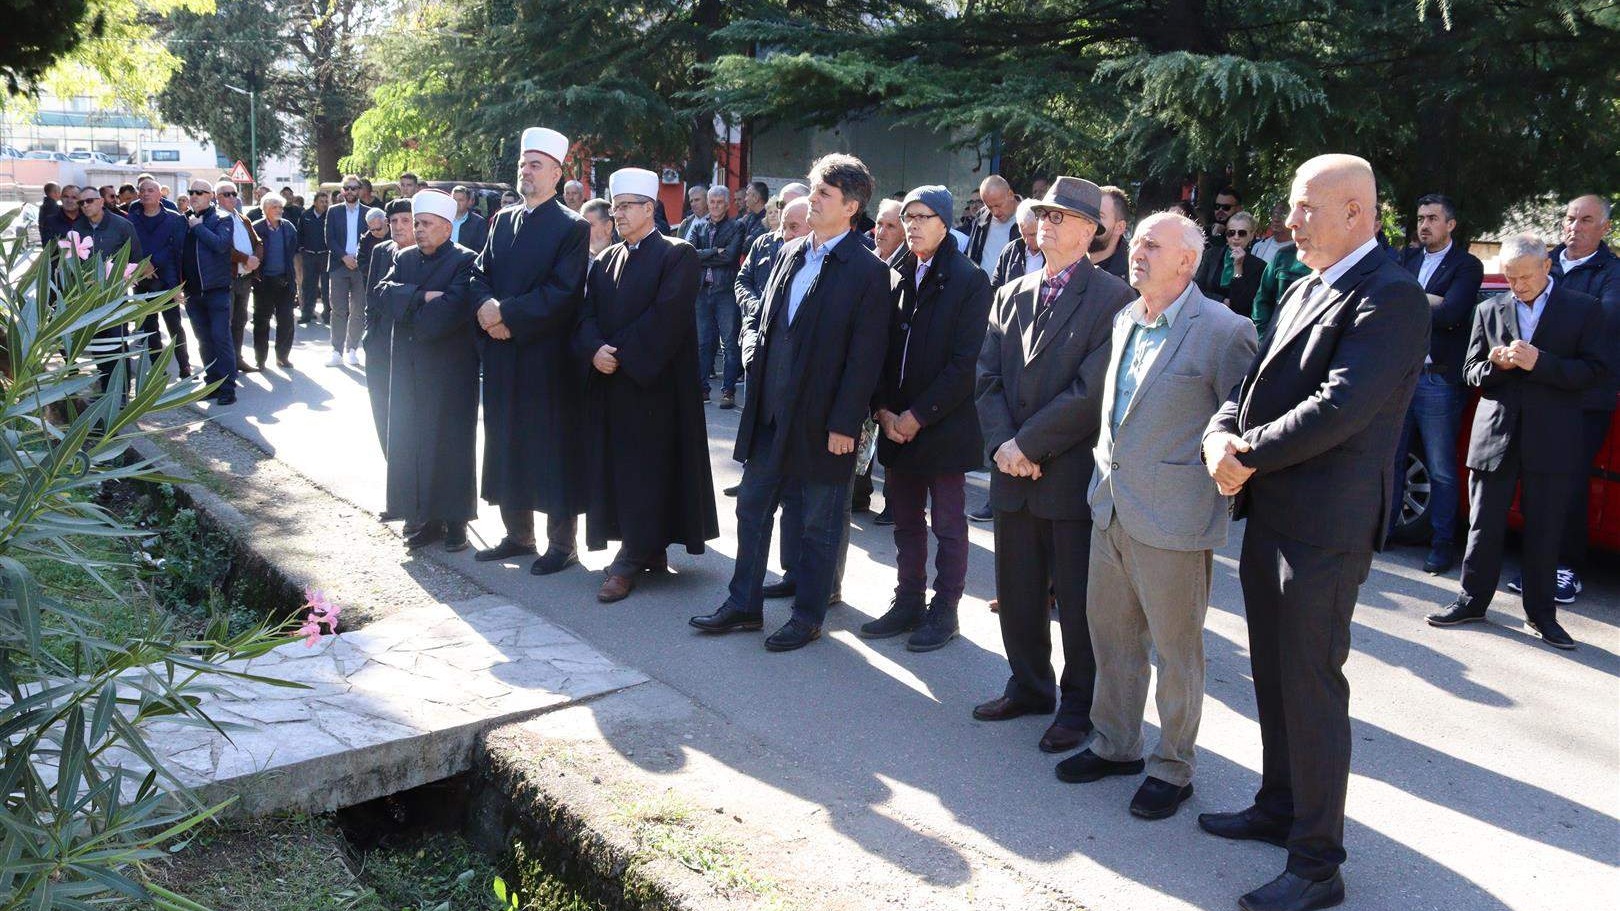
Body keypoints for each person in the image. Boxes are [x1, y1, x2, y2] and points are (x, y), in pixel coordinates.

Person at [1199, 154, 1429, 911]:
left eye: (1304, 208)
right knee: (1272, 669)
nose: (1287, 222)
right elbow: (1251, 383)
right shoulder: (1303, 285)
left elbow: (1341, 406)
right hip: (1274, 512)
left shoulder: (1391, 295)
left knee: (1312, 685)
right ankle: (1279, 803)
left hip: (1325, 527)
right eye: (1291, 208)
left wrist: (1244, 459)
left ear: (1358, 212)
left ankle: (1317, 862)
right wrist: (1221, 434)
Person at [1056, 211, 1258, 821]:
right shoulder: (1126, 318)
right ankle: (1115, 744)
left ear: (1187, 262)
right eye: (1136, 242)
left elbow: (1241, 421)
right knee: (1112, 640)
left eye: (1151, 245)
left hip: (1174, 519)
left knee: (1176, 651)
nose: (1136, 252)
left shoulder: (1224, 330)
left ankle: (1173, 766)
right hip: (1110, 508)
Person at [689, 153, 890, 652]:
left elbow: (866, 359)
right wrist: (753, 344)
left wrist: (846, 423)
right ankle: (744, 605)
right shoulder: (790, 252)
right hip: (773, 411)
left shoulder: (867, 271)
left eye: (823, 194)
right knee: (753, 508)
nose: (811, 200)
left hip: (826, 424)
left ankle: (808, 615)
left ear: (851, 206)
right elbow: (768, 318)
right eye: (813, 189)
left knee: (819, 525)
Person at [971, 176, 1134, 753]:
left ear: (1091, 231)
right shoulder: (1011, 291)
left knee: (1077, 598)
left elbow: (1091, 392)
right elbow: (986, 377)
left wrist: (1027, 447)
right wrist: (1001, 447)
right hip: (1012, 474)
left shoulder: (1115, 299)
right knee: (1016, 591)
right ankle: (1028, 685)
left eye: (1061, 217)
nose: (1047, 223)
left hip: (1065, 477)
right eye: (1044, 214)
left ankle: (1078, 704)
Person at [1425, 234, 1603, 652]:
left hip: (1553, 436)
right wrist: (1495, 365)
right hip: (1496, 432)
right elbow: (1469, 372)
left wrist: (1541, 363)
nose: (1518, 285)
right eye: (1510, 277)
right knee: (1483, 523)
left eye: (1525, 276)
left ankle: (1541, 615)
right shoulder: (1489, 308)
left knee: (1544, 528)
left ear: (1546, 267)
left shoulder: (1583, 309)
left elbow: (1595, 374)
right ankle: (1471, 601)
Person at [575, 167, 719, 603]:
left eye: (625, 207)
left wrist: (616, 355)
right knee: (620, 470)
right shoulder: (605, 260)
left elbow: (666, 318)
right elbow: (586, 316)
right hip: (614, 382)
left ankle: (632, 557)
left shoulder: (679, 254)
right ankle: (645, 546)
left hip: (655, 387)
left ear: (650, 209)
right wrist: (593, 348)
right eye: (614, 207)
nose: (616, 214)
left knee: (647, 470)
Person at [860, 185, 991, 651]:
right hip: (894, 419)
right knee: (905, 520)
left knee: (949, 525)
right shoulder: (895, 271)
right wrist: (882, 408)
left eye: (923, 216)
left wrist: (917, 415)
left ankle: (946, 609)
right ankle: (909, 599)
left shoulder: (969, 279)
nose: (912, 225)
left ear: (945, 222)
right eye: (907, 216)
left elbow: (964, 365)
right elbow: (876, 347)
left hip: (943, 423)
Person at [471, 127, 592, 575]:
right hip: (504, 355)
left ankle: (562, 544)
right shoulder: (503, 220)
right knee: (506, 442)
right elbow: (478, 273)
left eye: (535, 165)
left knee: (551, 447)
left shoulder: (572, 226)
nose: (526, 171)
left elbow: (563, 292)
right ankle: (518, 535)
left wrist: (505, 315)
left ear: (557, 174)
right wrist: (485, 307)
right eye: (523, 164)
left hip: (546, 356)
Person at [374, 189, 480, 553]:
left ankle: (455, 523)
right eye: (416, 223)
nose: (417, 230)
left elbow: (454, 307)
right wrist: (421, 296)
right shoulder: (402, 258)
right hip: (409, 368)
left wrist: (411, 308)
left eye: (425, 224)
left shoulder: (466, 260)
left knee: (450, 446)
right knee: (413, 443)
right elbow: (383, 294)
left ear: (447, 227)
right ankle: (422, 518)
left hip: (450, 369)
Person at [1391, 193, 1483, 573]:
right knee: (1392, 458)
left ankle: (1443, 545)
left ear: (1451, 225)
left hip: (1438, 380)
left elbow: (1451, 314)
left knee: (1442, 468)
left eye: (1432, 218)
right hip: (1401, 376)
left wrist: (1412, 299)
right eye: (1420, 217)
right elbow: (1389, 305)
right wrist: (1425, 298)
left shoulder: (1467, 265)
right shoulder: (1407, 259)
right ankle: (1386, 532)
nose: (1423, 225)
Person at [1544, 194, 1620, 601]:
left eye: (1586, 220)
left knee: (1571, 484)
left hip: (1587, 397)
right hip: (1543, 391)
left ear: (1605, 227)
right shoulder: (1546, 262)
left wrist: (1549, 313)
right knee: (1542, 481)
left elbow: (1605, 322)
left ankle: (1567, 568)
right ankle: (1542, 565)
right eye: (1570, 218)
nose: (1574, 227)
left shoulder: (1612, 273)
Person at [70, 185, 144, 395]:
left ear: (101, 201)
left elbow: (136, 259)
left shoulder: (122, 225)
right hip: (89, 301)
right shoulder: (78, 228)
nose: (85, 205)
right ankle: (105, 392)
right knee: (98, 349)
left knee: (117, 348)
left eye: (89, 200)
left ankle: (120, 397)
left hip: (115, 300)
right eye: (81, 202)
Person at [363, 199, 416, 461]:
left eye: (405, 220)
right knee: (382, 412)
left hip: (413, 349)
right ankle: (392, 466)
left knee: (408, 418)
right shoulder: (381, 251)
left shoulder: (425, 253)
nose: (398, 226)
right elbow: (371, 298)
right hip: (380, 346)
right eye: (393, 221)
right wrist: (368, 337)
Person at [179, 180, 238, 404]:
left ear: (211, 195)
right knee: (203, 340)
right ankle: (212, 383)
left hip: (217, 291)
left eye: (199, 192)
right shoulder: (183, 221)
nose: (194, 196)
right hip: (194, 293)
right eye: (191, 192)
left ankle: (228, 388)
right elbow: (178, 253)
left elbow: (221, 245)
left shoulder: (222, 218)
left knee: (221, 339)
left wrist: (198, 227)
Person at [127, 174, 191, 378]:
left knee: (174, 326)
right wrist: (143, 265)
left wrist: (153, 263)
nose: (145, 193)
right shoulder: (132, 219)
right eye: (142, 190)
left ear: (160, 195)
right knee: (149, 327)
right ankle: (157, 369)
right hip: (142, 281)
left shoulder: (174, 218)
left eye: (150, 190)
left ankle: (184, 366)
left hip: (167, 279)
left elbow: (177, 248)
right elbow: (130, 246)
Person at [691, 185, 746, 408]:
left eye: (719, 202)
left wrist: (706, 256)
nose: (714, 206)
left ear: (727, 204)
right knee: (703, 343)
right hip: (703, 291)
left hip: (726, 291)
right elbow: (690, 254)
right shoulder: (699, 226)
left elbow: (731, 257)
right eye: (712, 202)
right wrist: (715, 252)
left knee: (730, 344)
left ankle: (728, 391)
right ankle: (702, 389)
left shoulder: (736, 227)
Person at [324, 175, 379, 367]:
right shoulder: (333, 211)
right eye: (346, 188)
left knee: (358, 309)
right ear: (342, 190)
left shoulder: (369, 212)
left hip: (361, 267)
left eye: (354, 188)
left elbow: (373, 238)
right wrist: (344, 257)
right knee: (338, 309)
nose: (350, 192)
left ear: (360, 190)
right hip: (339, 265)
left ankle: (352, 349)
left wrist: (357, 258)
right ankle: (336, 350)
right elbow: (329, 239)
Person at [217, 180, 263, 375]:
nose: (232, 198)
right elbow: (223, 248)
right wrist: (245, 258)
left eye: (234, 193)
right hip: (228, 278)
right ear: (217, 197)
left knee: (240, 320)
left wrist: (255, 260)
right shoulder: (217, 218)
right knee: (225, 322)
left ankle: (237, 358)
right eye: (227, 194)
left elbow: (258, 241)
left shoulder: (243, 218)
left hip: (245, 278)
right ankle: (225, 364)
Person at [249, 194, 298, 371]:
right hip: (264, 283)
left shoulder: (288, 227)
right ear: (265, 209)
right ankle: (260, 359)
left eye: (280, 207)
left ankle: (282, 357)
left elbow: (293, 251)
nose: (279, 210)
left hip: (285, 281)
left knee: (286, 321)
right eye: (274, 207)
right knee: (261, 322)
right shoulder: (256, 228)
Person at [1196, 209, 1264, 318]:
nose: (1236, 237)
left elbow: (1241, 303)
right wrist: (1221, 300)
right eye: (1231, 233)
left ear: (1251, 236)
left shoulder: (1258, 266)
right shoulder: (1212, 255)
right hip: (1206, 315)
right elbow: (1197, 288)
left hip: (1235, 321)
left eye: (1242, 233)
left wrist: (1238, 267)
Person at [1251, 234, 1312, 336]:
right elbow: (1262, 300)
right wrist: (1263, 336)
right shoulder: (1284, 255)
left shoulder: (1341, 262)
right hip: (1276, 335)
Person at [965, 175, 1019, 275]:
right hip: (981, 287)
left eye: (998, 205)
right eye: (989, 207)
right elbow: (970, 255)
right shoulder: (982, 217)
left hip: (1012, 288)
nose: (995, 212)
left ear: (1010, 194)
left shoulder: (1028, 218)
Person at [991, 198, 1044, 289]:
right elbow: (995, 288)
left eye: (1032, 235)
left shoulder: (1055, 252)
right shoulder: (1010, 251)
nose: (1027, 241)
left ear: (1043, 226)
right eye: (1024, 234)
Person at [298, 191, 331, 325]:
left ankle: (327, 313)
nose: (324, 204)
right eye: (321, 201)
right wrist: (301, 249)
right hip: (309, 256)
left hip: (325, 256)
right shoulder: (306, 215)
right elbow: (300, 233)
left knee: (326, 287)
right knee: (308, 286)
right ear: (315, 202)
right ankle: (307, 313)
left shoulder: (329, 216)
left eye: (326, 201)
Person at [1089, 185, 1131, 279]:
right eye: (1087, 214)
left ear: (1119, 227)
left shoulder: (1133, 277)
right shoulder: (1061, 260)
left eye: (1099, 216)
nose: (1089, 221)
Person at [451, 186, 490, 251]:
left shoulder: (479, 222)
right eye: (454, 200)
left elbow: (480, 248)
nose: (456, 203)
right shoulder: (444, 220)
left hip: (467, 260)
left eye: (460, 200)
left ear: (468, 202)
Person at [739, 179, 770, 249]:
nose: (745, 199)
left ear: (756, 198)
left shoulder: (768, 219)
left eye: (747, 195)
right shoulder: (749, 217)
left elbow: (749, 246)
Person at [872, 198, 904, 264]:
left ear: (904, 233)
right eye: (879, 224)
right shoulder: (862, 256)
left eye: (890, 226)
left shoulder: (911, 264)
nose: (881, 232)